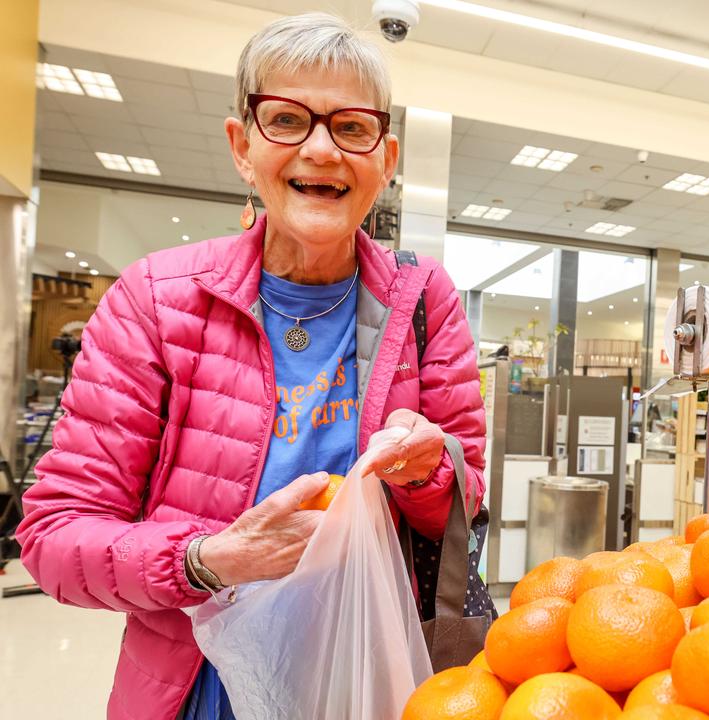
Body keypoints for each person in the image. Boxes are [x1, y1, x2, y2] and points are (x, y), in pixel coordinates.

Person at [16, 14, 486, 720]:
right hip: (200, 688)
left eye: (352, 128)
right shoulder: (157, 299)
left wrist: (428, 470)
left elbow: (466, 501)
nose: (322, 150)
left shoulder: (425, 301)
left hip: (369, 674)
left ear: (385, 159)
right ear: (243, 146)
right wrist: (210, 558)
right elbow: (54, 537)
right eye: (288, 119)